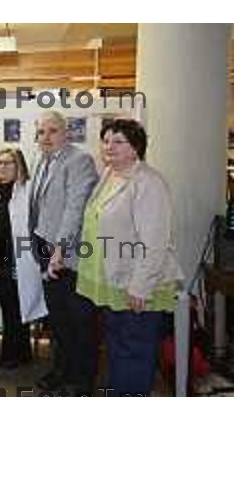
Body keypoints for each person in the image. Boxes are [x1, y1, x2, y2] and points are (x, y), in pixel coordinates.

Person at [76, 119, 182, 396]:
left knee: (134, 350)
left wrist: (141, 286)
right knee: (118, 346)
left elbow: (155, 241)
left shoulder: (149, 183)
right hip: (112, 281)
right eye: (106, 140)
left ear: (136, 148)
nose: (109, 146)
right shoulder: (110, 175)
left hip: (138, 286)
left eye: (118, 141)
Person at [29, 111, 99, 394]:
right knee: (57, 318)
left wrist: (60, 248)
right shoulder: (41, 161)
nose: (46, 137)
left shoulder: (79, 160)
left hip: (71, 254)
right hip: (47, 250)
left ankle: (82, 381)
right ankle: (61, 370)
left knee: (79, 320)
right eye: (41, 132)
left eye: (53, 131)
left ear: (67, 133)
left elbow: (75, 208)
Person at [0, 148, 47, 370]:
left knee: (17, 307)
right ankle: (20, 352)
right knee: (7, 305)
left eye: (9, 163)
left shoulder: (27, 191)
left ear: (19, 166)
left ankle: (12, 353)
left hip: (19, 257)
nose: (2, 167)